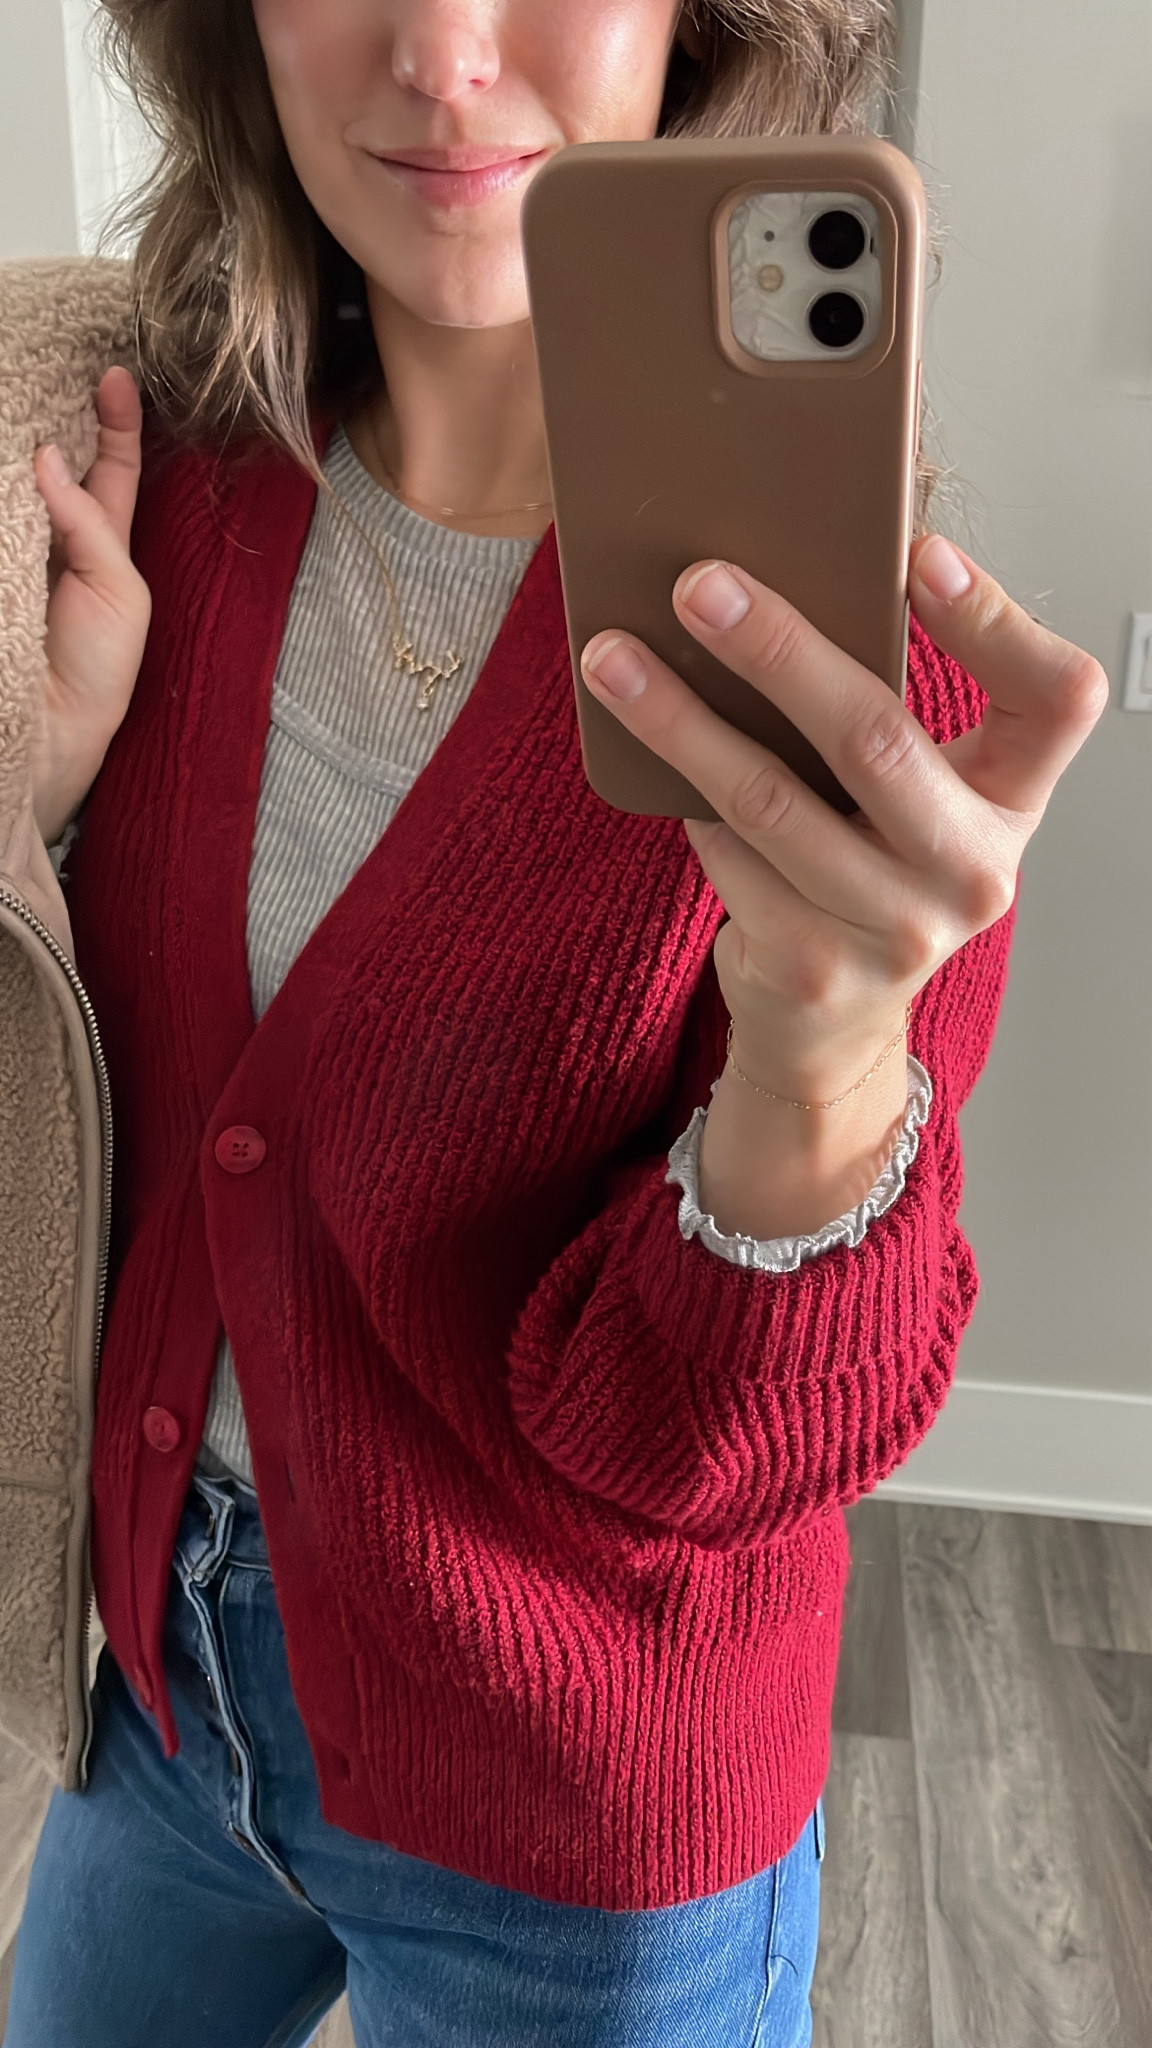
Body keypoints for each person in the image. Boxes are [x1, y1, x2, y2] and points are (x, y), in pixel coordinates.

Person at [0, 1, 1107, 2044]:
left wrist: (821, 1059)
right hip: (160, 1695)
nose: (438, 54)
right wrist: (40, 814)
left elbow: (687, 1451)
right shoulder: (153, 498)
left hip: (571, 1826)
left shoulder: (862, 736)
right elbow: (97, 1151)